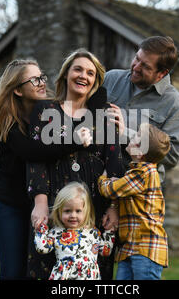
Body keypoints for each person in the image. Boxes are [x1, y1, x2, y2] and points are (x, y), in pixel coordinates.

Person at [26, 48, 125, 280]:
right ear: (66, 74)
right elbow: (36, 158)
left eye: (90, 73)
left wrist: (114, 206)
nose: (83, 76)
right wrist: (40, 203)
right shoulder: (46, 110)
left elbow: (115, 163)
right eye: (78, 69)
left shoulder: (104, 114)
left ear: (95, 81)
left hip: (93, 207)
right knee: (44, 267)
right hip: (54, 202)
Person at [0, 59, 81, 279]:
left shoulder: (53, 111)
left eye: (41, 77)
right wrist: (74, 140)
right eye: (34, 80)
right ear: (18, 90)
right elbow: (34, 151)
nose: (41, 83)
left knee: (39, 271)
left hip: (43, 203)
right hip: (10, 206)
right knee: (13, 272)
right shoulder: (9, 121)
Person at [103, 36, 179, 188]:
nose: (136, 67)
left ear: (162, 73)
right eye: (137, 58)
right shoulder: (111, 78)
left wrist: (125, 134)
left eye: (146, 66)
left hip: (137, 191)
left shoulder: (175, 104)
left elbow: (173, 155)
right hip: (98, 177)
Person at [98, 123, 170, 280]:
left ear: (141, 152)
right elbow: (123, 187)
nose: (132, 137)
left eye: (137, 136)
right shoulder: (135, 173)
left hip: (146, 249)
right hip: (129, 248)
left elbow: (110, 190)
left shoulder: (143, 173)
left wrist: (103, 178)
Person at [34, 182, 115, 280]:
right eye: (67, 211)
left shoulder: (92, 231)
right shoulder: (57, 231)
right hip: (64, 276)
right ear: (59, 211)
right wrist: (41, 228)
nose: (73, 215)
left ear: (86, 212)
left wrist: (110, 231)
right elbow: (42, 248)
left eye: (78, 211)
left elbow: (105, 251)